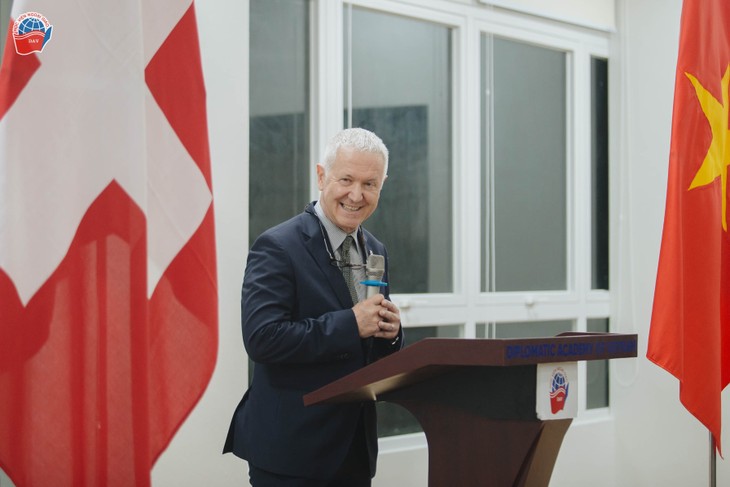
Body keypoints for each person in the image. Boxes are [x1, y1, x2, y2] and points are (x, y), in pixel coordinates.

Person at [224, 127, 404, 486]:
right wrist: (352, 324)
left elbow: (365, 346)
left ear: (382, 186)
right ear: (322, 177)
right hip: (292, 451)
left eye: (370, 184)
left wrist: (390, 333)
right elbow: (262, 338)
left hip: (354, 450)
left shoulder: (376, 249)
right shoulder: (277, 246)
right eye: (347, 180)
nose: (356, 195)